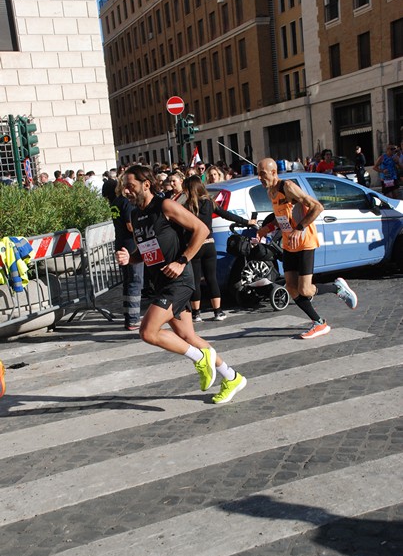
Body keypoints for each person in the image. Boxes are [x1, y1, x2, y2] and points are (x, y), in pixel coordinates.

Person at [115, 165, 247, 405]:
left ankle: (199, 359)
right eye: (124, 186)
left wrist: (182, 260)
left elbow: (201, 229)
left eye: (131, 185)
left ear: (146, 184)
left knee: (148, 332)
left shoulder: (165, 206)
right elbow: (147, 252)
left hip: (179, 281)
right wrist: (130, 258)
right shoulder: (136, 215)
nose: (126, 191)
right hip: (161, 281)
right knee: (187, 336)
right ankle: (232, 377)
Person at [256, 157, 358, 339]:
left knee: (305, 290)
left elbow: (317, 207)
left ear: (273, 172)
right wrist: (265, 229)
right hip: (289, 244)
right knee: (291, 287)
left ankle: (337, 288)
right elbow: (281, 217)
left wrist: (298, 229)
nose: (260, 178)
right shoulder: (270, 191)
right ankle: (319, 322)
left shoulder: (286, 187)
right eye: (258, 174)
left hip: (304, 242)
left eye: (262, 174)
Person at [182, 175, 257, 322]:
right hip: (209, 244)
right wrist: (246, 222)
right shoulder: (209, 202)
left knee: (196, 280)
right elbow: (226, 215)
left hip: (194, 246)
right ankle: (218, 311)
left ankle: (196, 314)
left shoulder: (186, 206)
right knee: (212, 279)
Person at [110, 179, 144, 330]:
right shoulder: (126, 203)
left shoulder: (115, 202)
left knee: (128, 280)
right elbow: (130, 225)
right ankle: (133, 319)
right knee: (135, 281)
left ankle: (129, 316)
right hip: (131, 245)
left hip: (120, 243)